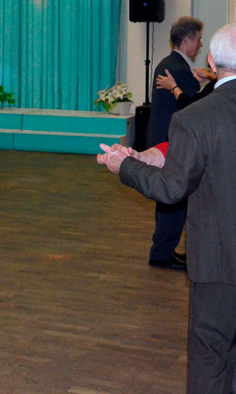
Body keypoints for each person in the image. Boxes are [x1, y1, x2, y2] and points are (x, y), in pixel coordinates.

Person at [96, 22, 236, 394]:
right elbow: (190, 151)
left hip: (220, 263)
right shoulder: (201, 116)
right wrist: (144, 155)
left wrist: (125, 166)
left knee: (211, 356)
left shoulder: (197, 115)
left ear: (211, 62)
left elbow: (172, 188)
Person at [145, 16, 203, 270]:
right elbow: (196, 106)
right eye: (198, 39)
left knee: (170, 199)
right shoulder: (179, 70)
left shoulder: (169, 64)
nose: (200, 44)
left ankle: (164, 249)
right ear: (187, 40)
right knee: (173, 200)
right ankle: (162, 252)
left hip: (165, 141)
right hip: (173, 144)